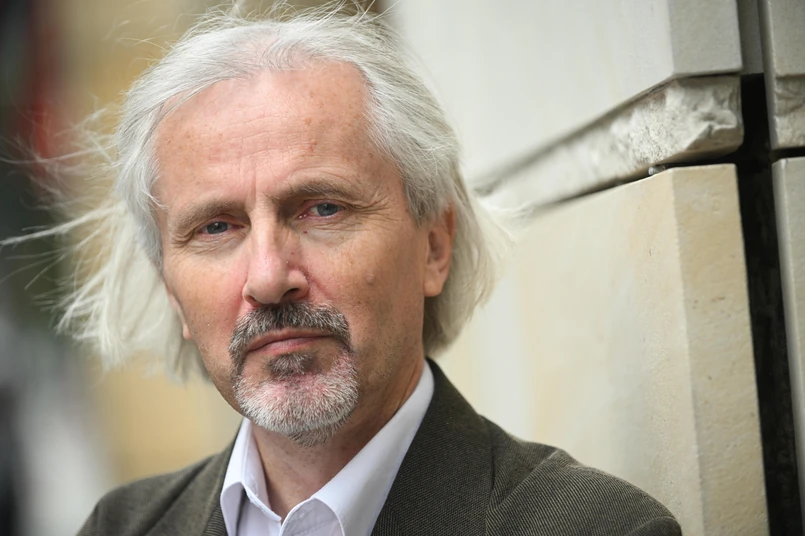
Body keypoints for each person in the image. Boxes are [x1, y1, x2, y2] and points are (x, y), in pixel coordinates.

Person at [31, 5, 681, 535]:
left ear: (434, 246)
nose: (268, 278)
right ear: (171, 291)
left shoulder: (598, 529)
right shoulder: (120, 527)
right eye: (217, 227)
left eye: (322, 209)